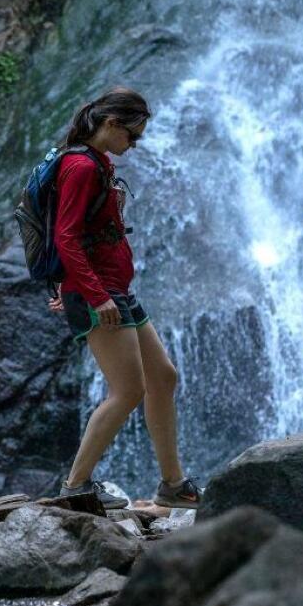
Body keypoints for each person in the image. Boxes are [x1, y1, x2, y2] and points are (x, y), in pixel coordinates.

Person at [48, 86, 203, 511]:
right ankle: (75, 488)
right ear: (112, 124)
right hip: (99, 295)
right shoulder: (80, 166)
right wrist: (94, 296)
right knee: (128, 390)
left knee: (163, 377)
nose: (133, 147)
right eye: (132, 137)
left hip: (116, 291)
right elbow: (65, 237)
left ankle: (173, 485)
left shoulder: (97, 164)